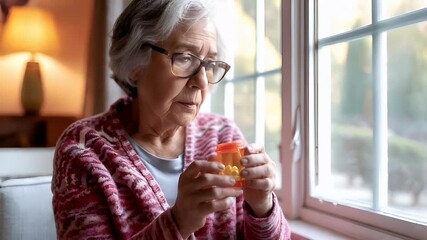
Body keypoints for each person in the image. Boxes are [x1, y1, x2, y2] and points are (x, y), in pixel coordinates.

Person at [52, 0, 291, 239]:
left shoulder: (222, 134)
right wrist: (179, 222)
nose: (202, 82)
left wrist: (263, 208)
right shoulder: (84, 149)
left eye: (210, 64)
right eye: (185, 58)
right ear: (136, 62)